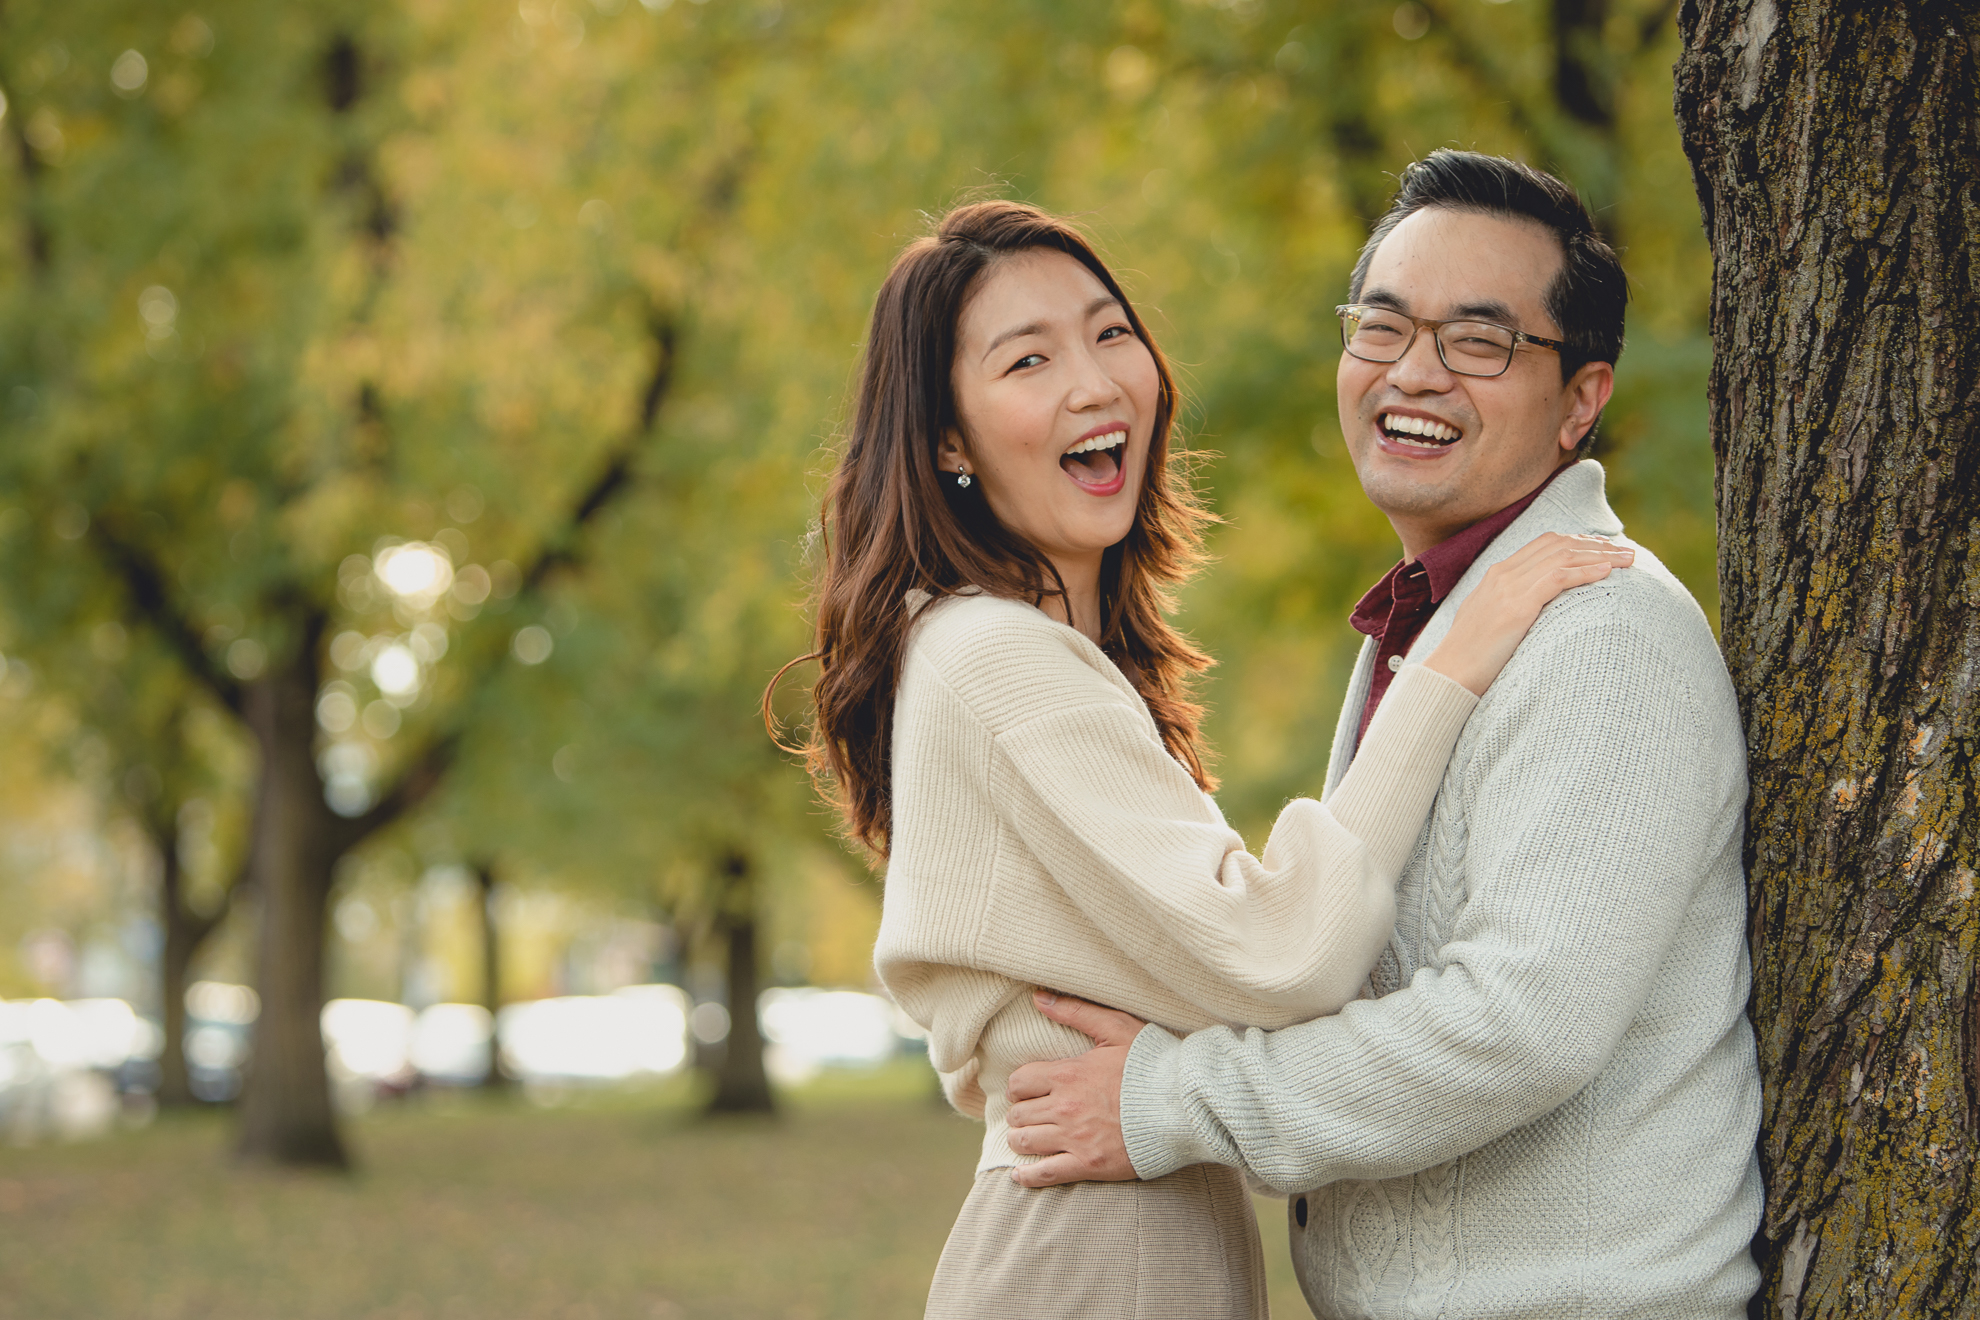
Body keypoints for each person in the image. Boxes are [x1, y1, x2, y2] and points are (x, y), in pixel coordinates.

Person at [776, 196, 1633, 1319]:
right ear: (948, 438)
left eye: (1110, 333)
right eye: (1028, 360)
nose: (1093, 383)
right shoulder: (992, 655)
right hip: (1090, 1246)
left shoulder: (1033, 657)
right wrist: (1449, 661)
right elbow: (1282, 958)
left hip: (1123, 1228)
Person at [1002, 152, 1764, 1318]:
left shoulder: (1605, 638)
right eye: (1384, 325)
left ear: (1581, 402)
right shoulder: (1432, 626)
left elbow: (1516, 1028)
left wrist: (1169, 1100)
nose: (1415, 371)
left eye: (1481, 340)